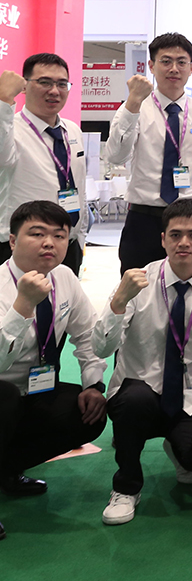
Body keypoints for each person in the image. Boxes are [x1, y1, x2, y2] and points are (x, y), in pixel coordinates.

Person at [92, 199, 192, 524]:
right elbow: (101, 347)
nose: (184, 242)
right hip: (138, 392)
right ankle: (126, 486)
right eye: (175, 234)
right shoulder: (137, 282)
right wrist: (118, 302)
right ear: (163, 239)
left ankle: (178, 446)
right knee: (135, 400)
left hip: (187, 396)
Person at [0, 201, 107, 540]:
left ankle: (7, 471)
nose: (49, 243)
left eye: (59, 236)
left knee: (87, 414)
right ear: (12, 241)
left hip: (35, 388)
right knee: (4, 397)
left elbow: (87, 336)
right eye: (37, 234)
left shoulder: (64, 277)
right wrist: (23, 305)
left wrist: (93, 385)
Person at [103, 33, 192, 274]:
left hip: (190, 220)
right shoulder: (135, 108)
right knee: (137, 287)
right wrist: (132, 105)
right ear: (151, 66)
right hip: (144, 219)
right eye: (166, 61)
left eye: (181, 62)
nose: (174, 68)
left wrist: (191, 201)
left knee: (190, 288)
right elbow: (115, 156)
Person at [0, 55, 87, 276]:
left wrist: (79, 236)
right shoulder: (11, 128)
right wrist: (4, 101)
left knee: (63, 297)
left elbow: (80, 186)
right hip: (21, 246)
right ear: (24, 86)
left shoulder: (72, 130)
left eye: (62, 84)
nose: (54, 91)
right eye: (45, 82)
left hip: (66, 244)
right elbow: (2, 157)